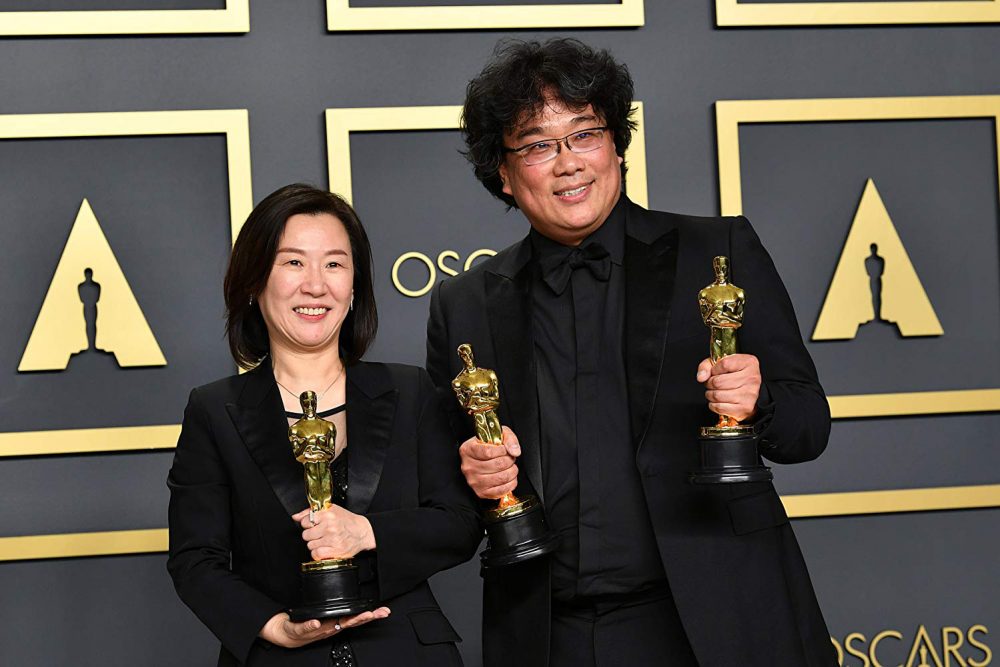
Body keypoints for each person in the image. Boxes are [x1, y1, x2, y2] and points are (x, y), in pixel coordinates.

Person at [425, 39, 837, 667]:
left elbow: (809, 428)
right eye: (538, 145)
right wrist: (475, 476)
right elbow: (451, 492)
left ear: (616, 144)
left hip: (714, 616)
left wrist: (757, 404)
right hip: (546, 630)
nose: (568, 163)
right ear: (503, 175)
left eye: (585, 134)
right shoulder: (465, 304)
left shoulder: (716, 250)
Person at [168, 184, 481, 667]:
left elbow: (460, 524)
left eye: (334, 264)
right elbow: (195, 560)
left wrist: (366, 533)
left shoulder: (411, 391)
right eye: (293, 262)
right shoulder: (214, 410)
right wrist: (275, 628)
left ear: (354, 287)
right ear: (255, 282)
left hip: (408, 653)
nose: (315, 284)